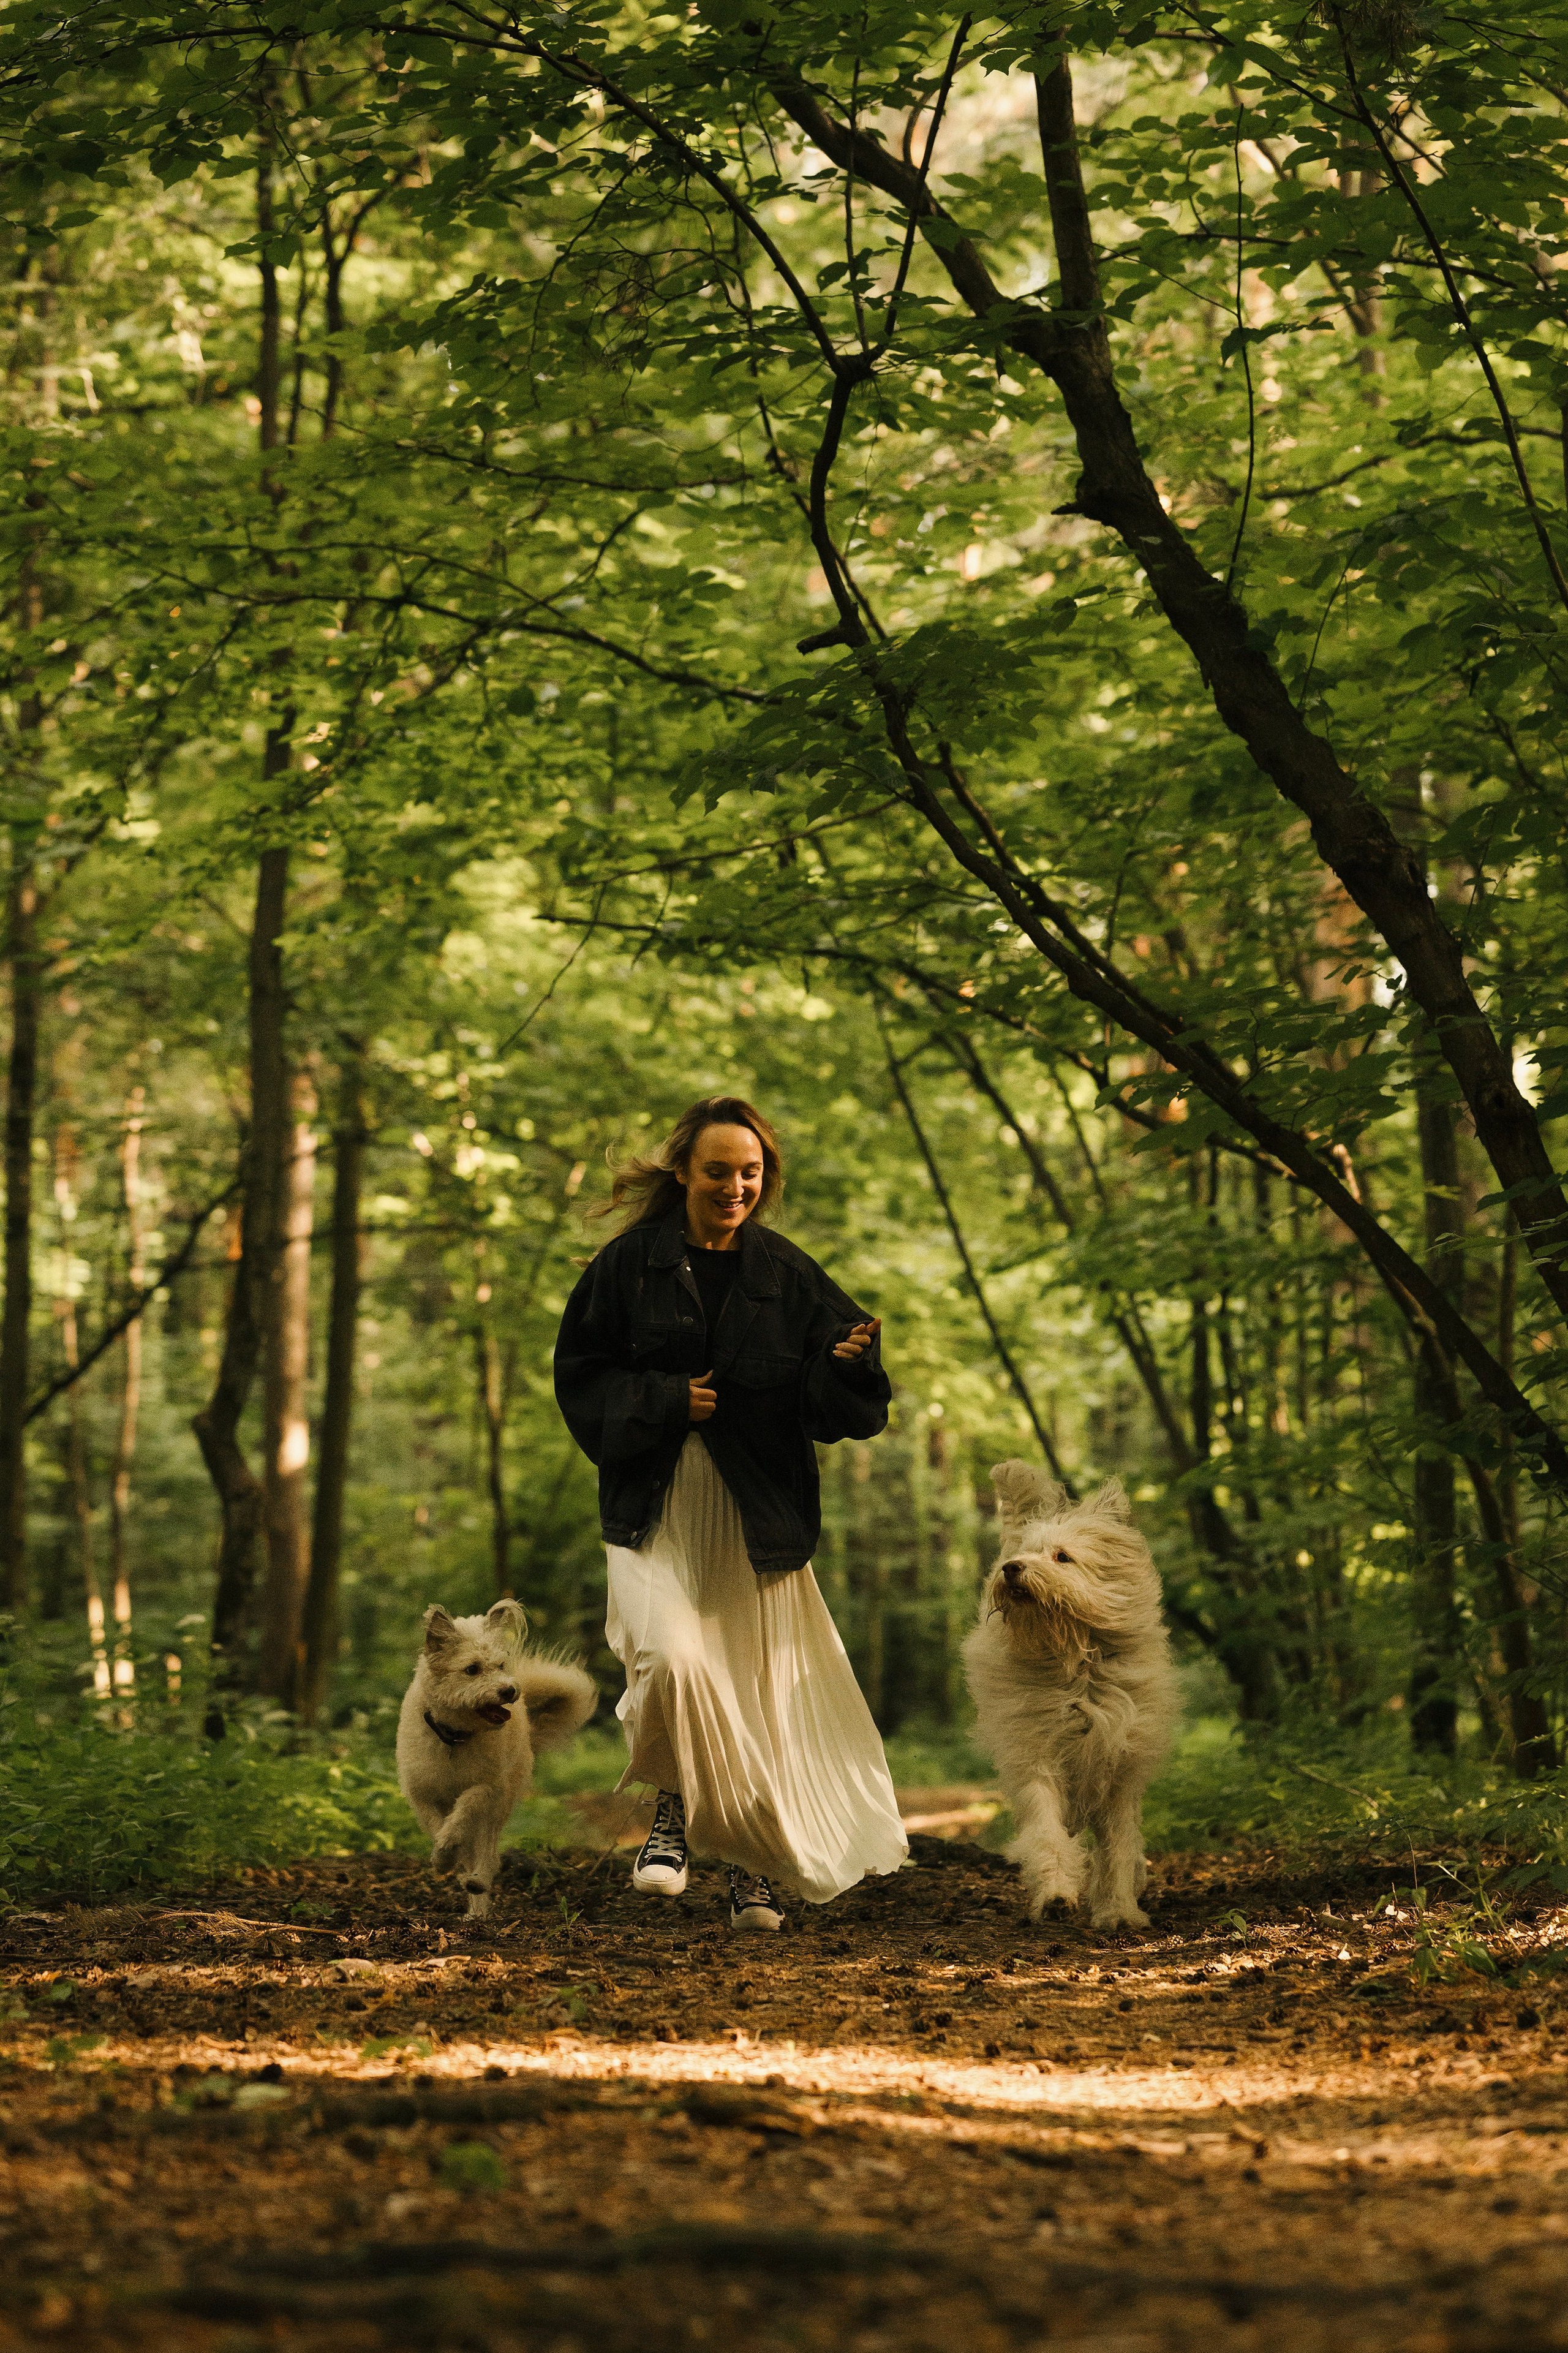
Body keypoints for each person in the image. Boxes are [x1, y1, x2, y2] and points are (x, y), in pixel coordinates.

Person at [553, 1095, 908, 1930]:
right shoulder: (625, 1267)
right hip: (654, 1507)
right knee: (672, 1663)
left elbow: (839, 1410)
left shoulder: (787, 1274)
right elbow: (581, 1379)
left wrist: (851, 1361)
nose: (736, 1186)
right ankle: (675, 1810)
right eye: (719, 1171)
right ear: (683, 1171)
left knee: (755, 1698)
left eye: (751, 1172)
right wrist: (668, 1398)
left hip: (759, 1512)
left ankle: (754, 1864)